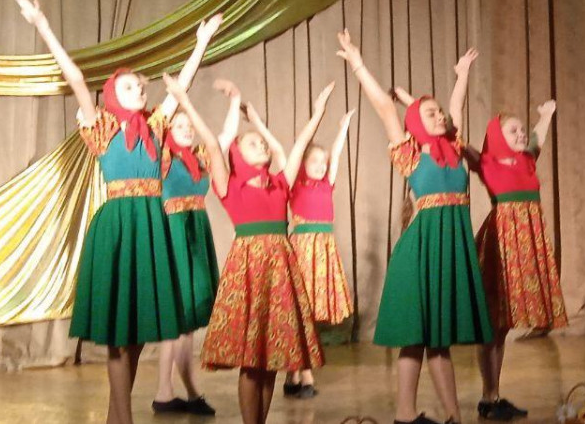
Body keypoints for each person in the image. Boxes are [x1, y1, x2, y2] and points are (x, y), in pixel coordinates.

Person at [15, 0, 220, 424]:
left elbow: (182, 84)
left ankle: (115, 415)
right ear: (111, 95)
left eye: (141, 86)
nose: (139, 90)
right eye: (129, 86)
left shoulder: (156, 126)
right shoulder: (102, 126)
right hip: (118, 225)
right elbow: (74, 77)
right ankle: (122, 418)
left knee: (140, 330)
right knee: (117, 332)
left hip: (151, 225)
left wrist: (201, 43)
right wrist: (43, 26)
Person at [336, 29, 492, 424]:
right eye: (430, 114)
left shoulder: (454, 149)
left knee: (439, 342)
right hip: (421, 251)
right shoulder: (410, 154)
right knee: (416, 338)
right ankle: (405, 414)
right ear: (415, 124)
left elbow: (455, 109)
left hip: (449, 248)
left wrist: (462, 75)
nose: (440, 116)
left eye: (439, 113)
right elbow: (385, 109)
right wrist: (358, 63)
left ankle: (454, 416)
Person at [168, 77, 327, 424]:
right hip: (249, 271)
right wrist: (185, 101)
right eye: (253, 142)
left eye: (262, 143)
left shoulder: (280, 183)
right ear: (238, 155)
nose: (262, 145)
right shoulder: (230, 185)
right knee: (252, 361)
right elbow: (212, 144)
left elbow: (300, 145)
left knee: (271, 362)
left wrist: (317, 114)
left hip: (280, 271)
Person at [470, 102, 567, 421]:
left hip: (524, 244)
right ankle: (488, 396)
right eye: (514, 131)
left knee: (502, 326)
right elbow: (458, 145)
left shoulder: (527, 159)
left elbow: (538, 137)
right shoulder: (487, 163)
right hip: (501, 243)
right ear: (498, 137)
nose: (522, 134)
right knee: (492, 323)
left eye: (522, 130)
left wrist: (546, 116)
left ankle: (493, 395)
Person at [282, 107, 357, 400]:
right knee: (301, 313)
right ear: (302, 163)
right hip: (303, 250)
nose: (321, 166)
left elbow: (336, 155)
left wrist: (343, 128)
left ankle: (292, 375)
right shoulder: (295, 185)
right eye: (314, 161)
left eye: (322, 163)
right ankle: (305, 376)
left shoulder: (326, 183)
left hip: (323, 252)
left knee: (308, 316)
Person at [152, 110, 221, 416]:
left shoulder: (199, 159)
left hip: (195, 236)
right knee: (176, 319)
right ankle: (166, 392)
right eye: (179, 125)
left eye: (190, 125)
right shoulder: (162, 158)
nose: (187, 129)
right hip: (175, 236)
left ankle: (184, 392)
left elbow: (221, 140)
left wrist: (234, 104)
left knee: (188, 323)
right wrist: (179, 98)